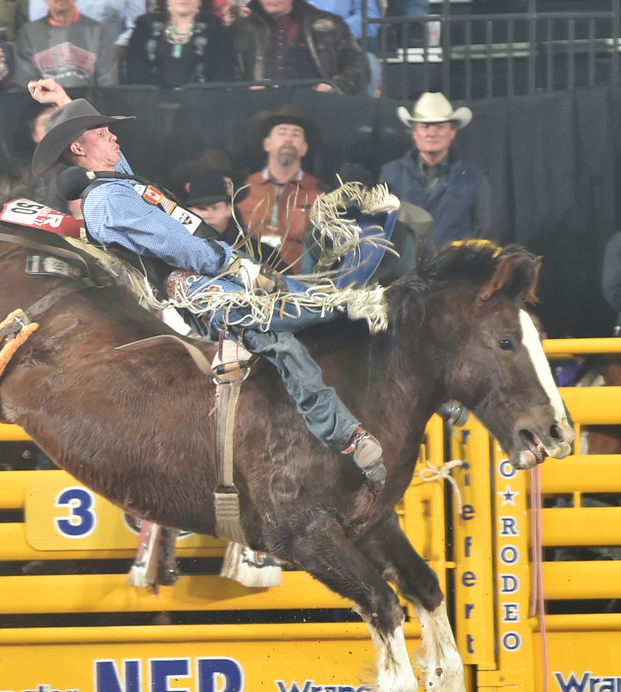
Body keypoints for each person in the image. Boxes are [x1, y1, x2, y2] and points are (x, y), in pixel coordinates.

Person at [29, 77, 387, 484]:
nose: (113, 136)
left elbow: (112, 164)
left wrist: (65, 104)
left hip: (215, 269)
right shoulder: (108, 201)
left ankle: (367, 348)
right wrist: (235, 266)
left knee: (304, 299)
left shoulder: (115, 182)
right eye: (100, 133)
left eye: (106, 129)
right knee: (279, 329)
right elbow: (178, 246)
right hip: (196, 287)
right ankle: (347, 434)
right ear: (79, 149)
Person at [379, 91, 492, 248]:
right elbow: (381, 227)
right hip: (404, 264)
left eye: (440, 127)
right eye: (425, 126)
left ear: (452, 132)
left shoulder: (475, 178)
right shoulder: (390, 175)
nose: (432, 133)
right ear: (414, 132)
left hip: (454, 263)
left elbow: (483, 232)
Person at [235, 105, 322, 273]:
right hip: (246, 278)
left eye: (296, 134)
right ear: (267, 144)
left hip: (298, 282)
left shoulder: (319, 193)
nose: (288, 138)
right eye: (282, 132)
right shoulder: (242, 189)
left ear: (304, 148)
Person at [230, 0, 364, 94]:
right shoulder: (240, 29)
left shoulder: (330, 24)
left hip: (318, 101)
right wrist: (246, 90)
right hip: (259, 104)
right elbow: (231, 74)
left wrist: (334, 86)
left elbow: (358, 64)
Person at [124, 0, 233, 87]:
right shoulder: (144, 27)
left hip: (202, 104)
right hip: (150, 104)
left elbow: (221, 80)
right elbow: (136, 77)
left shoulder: (215, 29)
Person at [13, 0, 118, 87]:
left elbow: (108, 86)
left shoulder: (98, 31)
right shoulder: (28, 33)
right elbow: (26, 85)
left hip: (89, 104)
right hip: (43, 104)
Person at [25, 0, 144, 49]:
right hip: (59, 61)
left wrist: (115, 49)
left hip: (114, 59)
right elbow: (39, 26)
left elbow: (137, 26)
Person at [184, 167, 240, 247]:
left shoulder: (251, 248)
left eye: (215, 208)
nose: (209, 215)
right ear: (190, 211)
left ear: (229, 209)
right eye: (201, 208)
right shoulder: (178, 250)